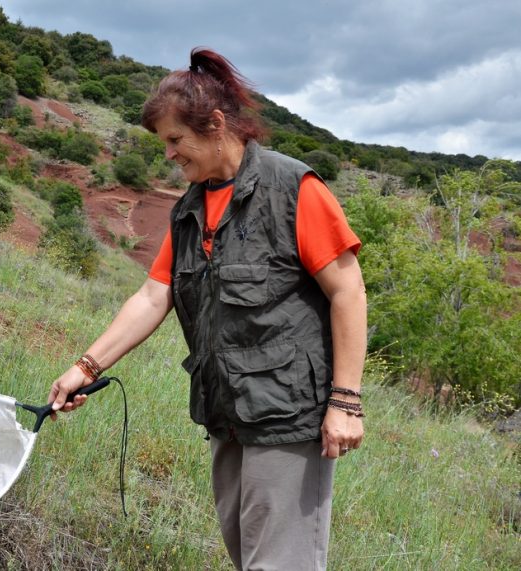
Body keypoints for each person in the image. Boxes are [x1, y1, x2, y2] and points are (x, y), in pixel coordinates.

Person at [47, 47, 366, 571]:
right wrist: (85, 367)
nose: (169, 154)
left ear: (216, 125)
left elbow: (348, 292)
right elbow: (154, 295)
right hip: (226, 412)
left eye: (176, 140)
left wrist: (346, 402)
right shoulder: (188, 210)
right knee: (247, 554)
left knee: (279, 563)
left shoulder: (293, 189)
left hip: (288, 414)